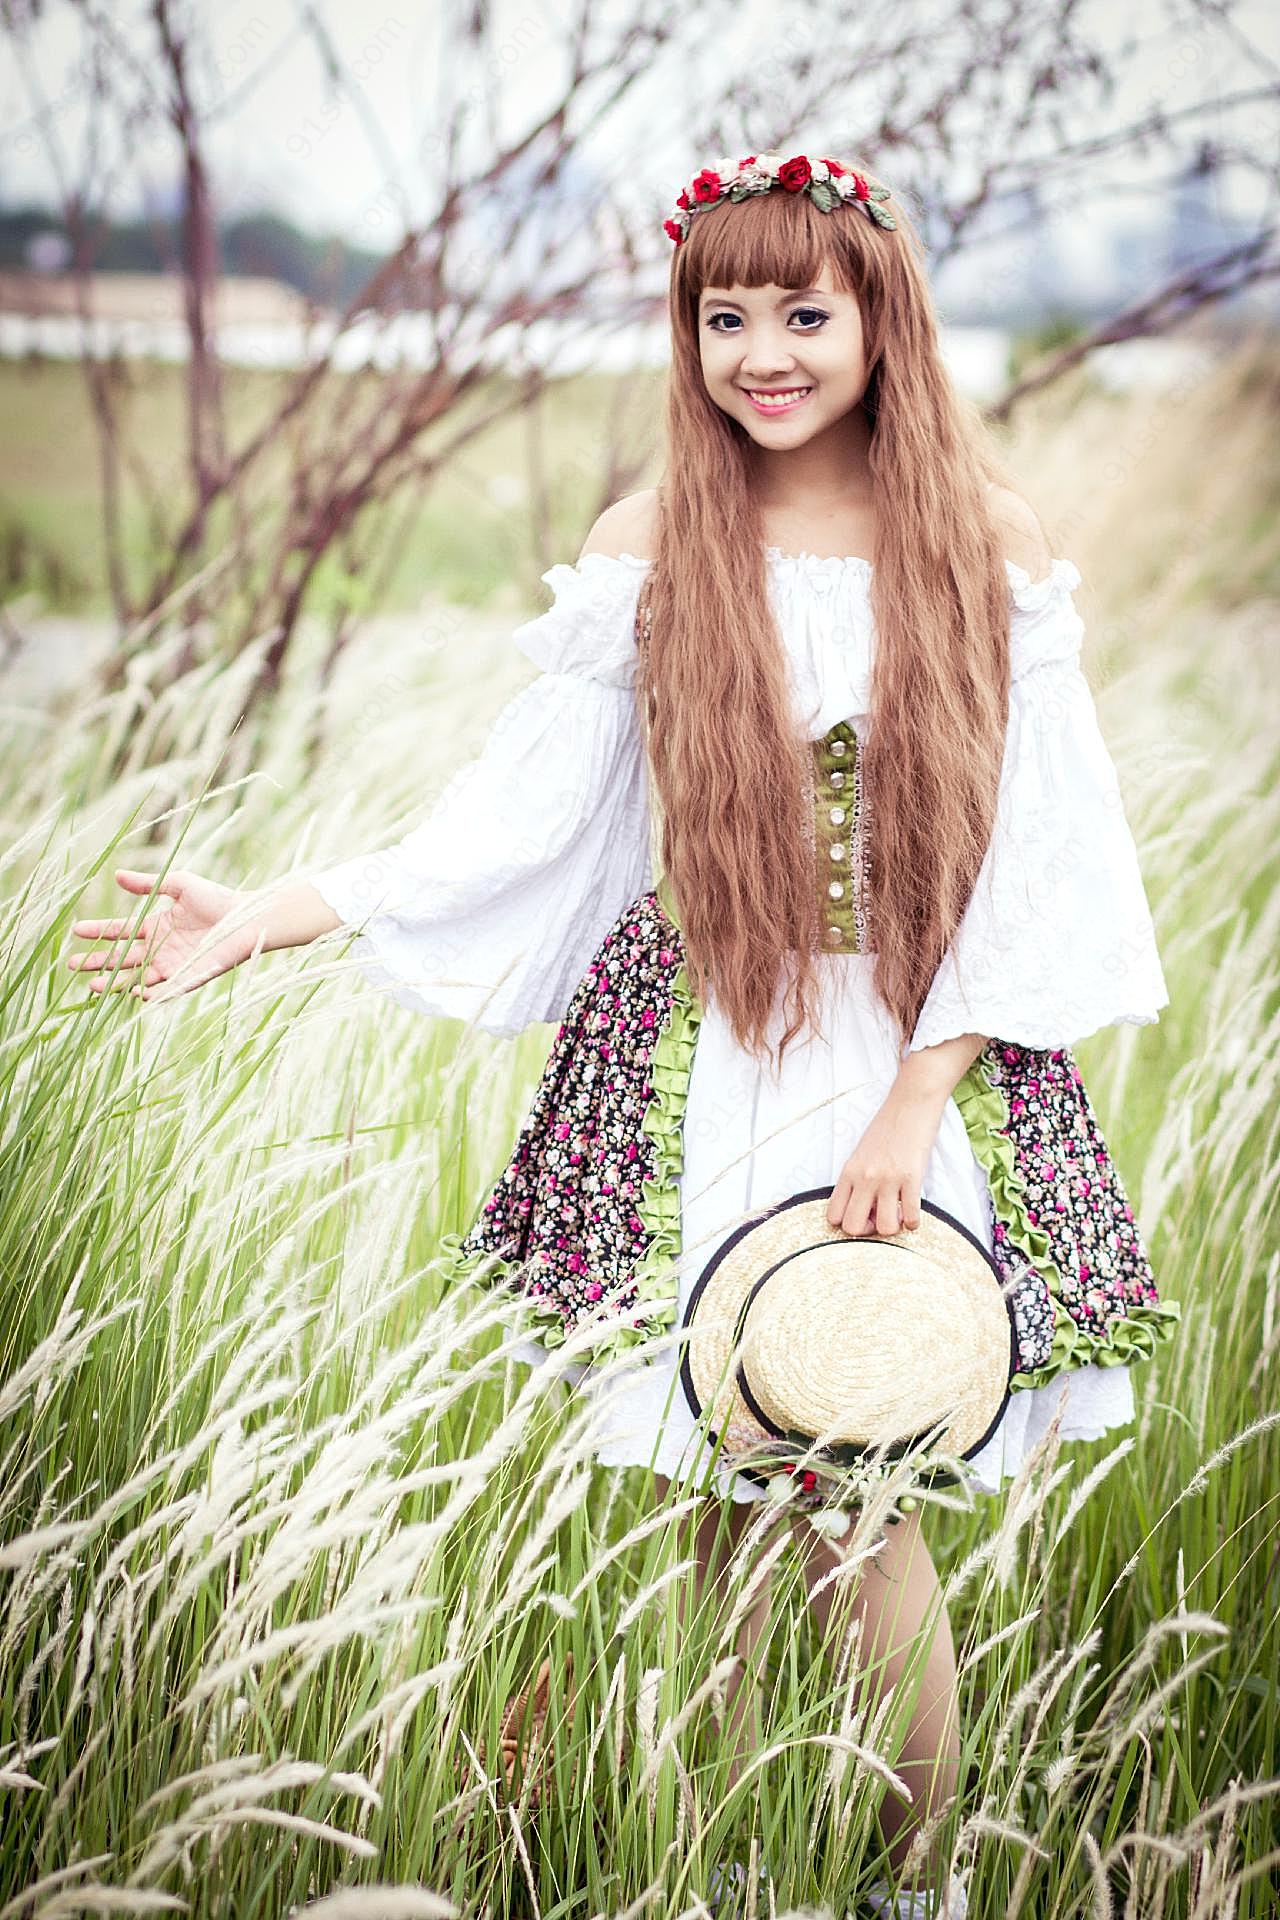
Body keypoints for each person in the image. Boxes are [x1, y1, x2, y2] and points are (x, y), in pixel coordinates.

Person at [67, 151, 1179, 1920]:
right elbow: (516, 823)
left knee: (863, 1501)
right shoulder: (653, 544)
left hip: (911, 1048)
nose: (764, 350)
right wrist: (276, 913)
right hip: (700, 1059)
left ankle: (913, 1889)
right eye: (722, 315)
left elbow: (1051, 854)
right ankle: (748, 1876)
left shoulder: (990, 540)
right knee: (719, 1511)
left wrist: (913, 1095)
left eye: (802, 312)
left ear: (879, 316)